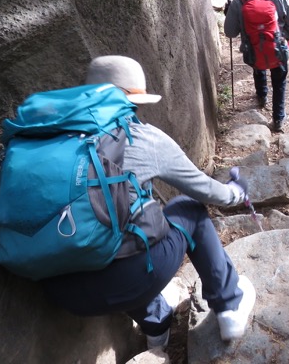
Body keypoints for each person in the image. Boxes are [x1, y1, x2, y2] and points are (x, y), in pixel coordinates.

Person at [41, 55, 256, 349]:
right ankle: (230, 304)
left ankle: (156, 326)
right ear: (132, 100)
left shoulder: (50, 137)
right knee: (186, 209)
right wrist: (238, 192)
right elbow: (209, 192)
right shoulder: (143, 137)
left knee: (113, 228)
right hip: (126, 281)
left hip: (61, 292)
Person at [224, 0, 289, 133]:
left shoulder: (239, 2)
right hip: (278, 51)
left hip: (253, 52)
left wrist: (231, 14)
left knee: (259, 65)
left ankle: (262, 96)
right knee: (279, 81)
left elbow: (229, 32)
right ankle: (278, 119)